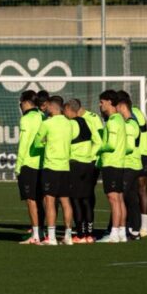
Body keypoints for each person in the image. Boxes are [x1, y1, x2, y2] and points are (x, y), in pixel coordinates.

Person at [34, 96, 75, 246]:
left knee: (49, 201)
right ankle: (68, 236)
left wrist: (45, 143)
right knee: (65, 201)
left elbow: (37, 143)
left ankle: (51, 238)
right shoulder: (69, 124)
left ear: (52, 107)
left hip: (51, 167)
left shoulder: (47, 123)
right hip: (65, 167)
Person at [64, 98, 102, 244]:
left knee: (75, 199)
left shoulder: (71, 124)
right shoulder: (86, 122)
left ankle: (80, 234)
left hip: (75, 165)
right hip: (88, 164)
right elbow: (98, 142)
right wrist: (90, 156)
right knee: (86, 199)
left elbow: (65, 144)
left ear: (68, 109)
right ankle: (89, 234)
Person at [96, 90, 128, 243]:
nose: (100, 105)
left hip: (112, 163)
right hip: (118, 163)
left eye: (101, 102)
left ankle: (114, 233)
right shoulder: (120, 120)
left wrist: (99, 148)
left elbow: (111, 145)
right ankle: (121, 232)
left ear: (109, 102)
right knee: (119, 198)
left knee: (113, 199)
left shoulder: (114, 121)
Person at [15, 90, 44, 244]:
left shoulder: (26, 119)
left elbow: (24, 144)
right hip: (43, 164)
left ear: (26, 102)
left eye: (21, 102)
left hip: (28, 164)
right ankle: (42, 231)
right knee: (40, 200)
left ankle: (35, 235)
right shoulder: (42, 116)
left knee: (31, 200)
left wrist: (18, 165)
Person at [117, 91, 142, 240]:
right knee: (131, 198)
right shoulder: (130, 122)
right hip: (131, 164)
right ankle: (134, 230)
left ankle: (121, 228)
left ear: (122, 106)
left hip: (130, 164)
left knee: (121, 196)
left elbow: (130, 147)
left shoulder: (131, 124)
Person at [129, 95, 147, 238]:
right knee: (142, 189)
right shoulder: (138, 112)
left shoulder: (130, 116)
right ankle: (144, 228)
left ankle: (134, 226)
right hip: (146, 153)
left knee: (130, 190)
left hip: (137, 154)